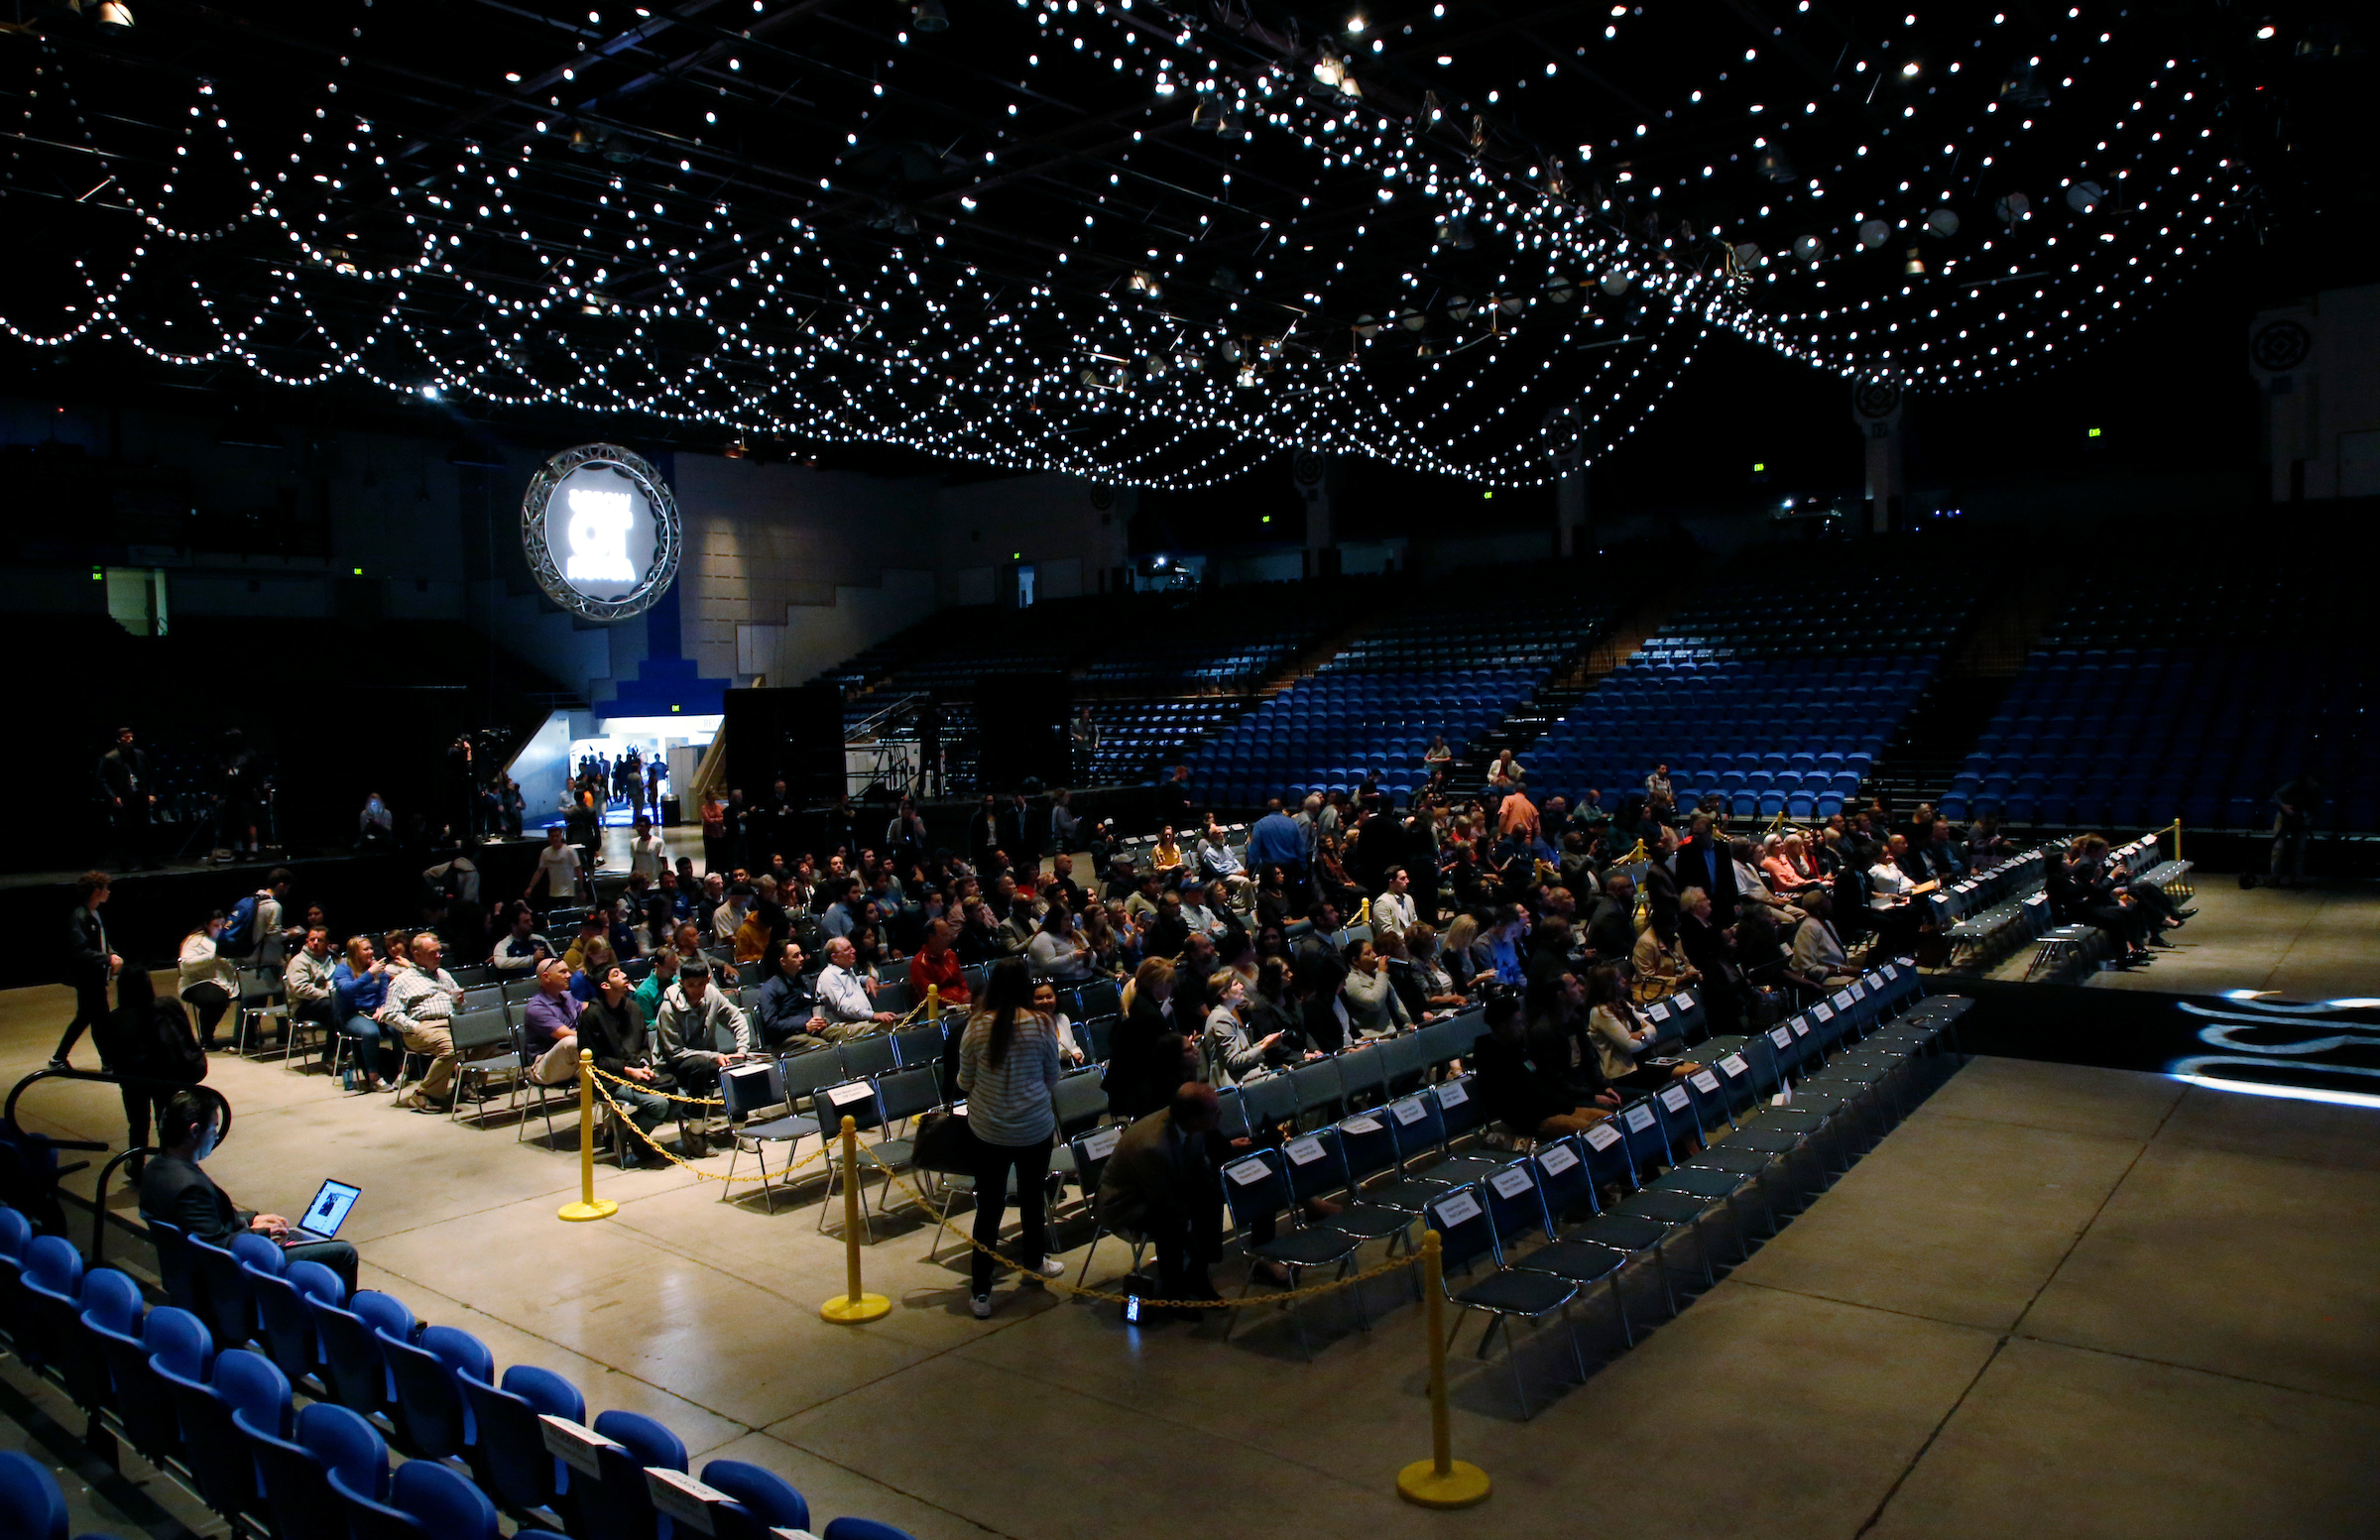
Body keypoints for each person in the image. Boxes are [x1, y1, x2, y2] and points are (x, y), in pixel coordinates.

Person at [141, 1090, 358, 1296]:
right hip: (228, 1275)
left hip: (188, 1269)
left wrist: (252, 1218)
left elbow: (205, 1222)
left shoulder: (156, 1169)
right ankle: (341, 1327)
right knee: (344, 1253)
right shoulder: (189, 1186)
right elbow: (217, 1249)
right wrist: (262, 1235)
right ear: (195, 1130)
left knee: (297, 1237)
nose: (216, 1137)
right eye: (213, 1129)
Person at [1094, 1082, 1279, 1309]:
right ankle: (1175, 1294)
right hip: (1126, 1203)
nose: (1220, 1115)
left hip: (1166, 1183)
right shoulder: (1153, 1145)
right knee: (1170, 1224)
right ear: (1193, 1117)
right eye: (1215, 1112)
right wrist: (1190, 1232)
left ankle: (1200, 1276)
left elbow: (1200, 1167)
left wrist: (1213, 1193)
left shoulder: (1195, 1126)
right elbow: (1163, 1201)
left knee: (1210, 1197)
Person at [957, 958, 1068, 1317]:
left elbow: (964, 1081)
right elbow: (1053, 1076)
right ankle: (1033, 1260)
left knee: (989, 1207)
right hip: (1035, 1127)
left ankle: (981, 1290)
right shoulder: (1041, 1024)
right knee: (1033, 1196)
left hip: (987, 1130)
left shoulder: (975, 1026)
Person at [95, 964, 206, 1167]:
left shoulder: (114, 1019)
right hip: (166, 1075)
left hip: (133, 1080)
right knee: (166, 1122)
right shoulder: (168, 1006)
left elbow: (108, 1055)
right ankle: (171, 1163)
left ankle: (137, 1165)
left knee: (137, 1125)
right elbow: (187, 1039)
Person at [577, 963, 672, 1163]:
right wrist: (627, 1070)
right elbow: (594, 1061)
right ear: (605, 985)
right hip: (608, 1080)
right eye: (616, 974)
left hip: (638, 1073)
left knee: (679, 1098)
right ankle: (636, 1138)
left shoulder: (634, 1009)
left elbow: (644, 1046)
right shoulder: (591, 1016)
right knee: (659, 1104)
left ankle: (631, 1134)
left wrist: (645, 1064)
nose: (625, 975)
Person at [382, 930, 466, 1112]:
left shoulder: (443, 974)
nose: (438, 956)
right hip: (423, 1027)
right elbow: (390, 1014)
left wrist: (459, 1003)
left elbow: (458, 1003)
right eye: (432, 953)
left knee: (489, 1035)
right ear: (417, 955)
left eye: (439, 951)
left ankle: (466, 1085)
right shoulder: (402, 981)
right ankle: (424, 1095)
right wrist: (415, 1027)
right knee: (449, 1048)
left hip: (452, 1021)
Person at [651, 958, 751, 1097]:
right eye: (691, 985)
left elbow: (736, 1018)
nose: (697, 989)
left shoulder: (712, 994)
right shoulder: (668, 1009)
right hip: (672, 1065)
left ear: (708, 979)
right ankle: (696, 1114)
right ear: (681, 982)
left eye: (701, 984)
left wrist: (742, 1050)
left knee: (733, 1064)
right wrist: (714, 1057)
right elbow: (675, 1053)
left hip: (707, 1057)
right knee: (700, 1064)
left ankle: (739, 1114)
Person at [1586, 965, 1696, 1092]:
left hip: (1644, 1061)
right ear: (1608, 985)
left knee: (1696, 1068)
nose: (1624, 980)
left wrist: (1639, 1035)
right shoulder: (1600, 1012)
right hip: (1626, 1072)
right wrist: (1644, 1037)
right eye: (1618, 979)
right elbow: (1630, 1046)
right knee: (1691, 1073)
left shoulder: (1622, 1003)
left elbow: (1652, 1029)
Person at [1104, 957, 1187, 1122]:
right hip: (1142, 1090)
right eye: (1169, 982)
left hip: (1129, 1086)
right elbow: (1160, 1057)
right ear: (1156, 984)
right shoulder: (1148, 1014)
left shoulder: (1134, 1004)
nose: (1171, 987)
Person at [56, 870, 121, 1070]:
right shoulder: (80, 916)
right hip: (87, 977)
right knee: (100, 1020)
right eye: (105, 888)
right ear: (95, 891)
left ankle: (59, 1058)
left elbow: (99, 944)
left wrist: (111, 954)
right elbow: (80, 950)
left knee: (87, 1017)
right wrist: (108, 958)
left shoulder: (94, 913)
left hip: (94, 976)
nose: (108, 892)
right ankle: (108, 1062)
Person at [329, 935, 401, 1091]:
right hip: (352, 1014)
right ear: (355, 952)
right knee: (370, 1032)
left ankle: (402, 1071)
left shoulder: (377, 968)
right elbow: (347, 991)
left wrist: (382, 1007)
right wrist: (369, 974)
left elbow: (384, 993)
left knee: (399, 1026)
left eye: (371, 948)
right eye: (365, 949)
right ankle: (373, 1077)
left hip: (375, 1012)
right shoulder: (343, 969)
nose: (370, 952)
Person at [178, 912, 242, 1052]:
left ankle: (244, 1038)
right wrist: (213, 956)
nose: (220, 928)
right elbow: (186, 965)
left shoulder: (228, 939)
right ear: (207, 926)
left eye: (222, 925)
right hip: (196, 982)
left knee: (253, 992)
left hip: (223, 982)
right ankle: (206, 1039)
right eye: (215, 925)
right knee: (215, 999)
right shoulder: (195, 940)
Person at [813, 936, 899, 1038]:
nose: (853, 951)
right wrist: (873, 1015)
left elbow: (850, 981)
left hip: (861, 1022)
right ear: (835, 957)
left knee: (902, 1020)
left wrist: (866, 979)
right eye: (847, 949)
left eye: (852, 947)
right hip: (845, 1026)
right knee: (892, 1027)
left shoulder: (848, 972)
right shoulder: (828, 977)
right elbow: (844, 1008)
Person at [97, 728, 158, 871]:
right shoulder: (110, 758)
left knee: (145, 830)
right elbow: (101, 780)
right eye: (126, 737)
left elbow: (150, 775)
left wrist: (151, 793)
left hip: (140, 796)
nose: (130, 739)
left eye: (131, 737)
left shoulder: (139, 755)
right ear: (119, 739)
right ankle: (126, 864)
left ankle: (148, 862)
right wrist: (113, 796)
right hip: (123, 799)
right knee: (124, 832)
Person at [522, 957, 583, 1085]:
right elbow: (564, 1034)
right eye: (562, 972)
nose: (569, 975)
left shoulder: (568, 997)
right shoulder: (536, 1007)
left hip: (572, 1060)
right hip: (544, 1066)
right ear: (546, 977)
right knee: (571, 1042)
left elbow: (589, 1011)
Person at [1338, 937, 1410, 1039]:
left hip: (1395, 1030)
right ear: (1355, 961)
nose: (1374, 956)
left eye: (1373, 951)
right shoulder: (1351, 981)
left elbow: (1395, 1000)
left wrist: (1408, 1022)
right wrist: (1382, 973)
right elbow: (1375, 1002)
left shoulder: (1375, 972)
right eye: (1368, 954)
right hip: (1375, 1036)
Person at [525, 826, 587, 914]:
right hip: (553, 892)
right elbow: (539, 871)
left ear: (561, 836)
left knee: (565, 913)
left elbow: (578, 870)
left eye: (557, 836)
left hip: (567, 891)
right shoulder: (546, 852)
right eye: (552, 836)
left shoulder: (569, 851)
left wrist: (581, 888)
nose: (555, 838)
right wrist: (530, 887)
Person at [1370, 867, 1418, 937]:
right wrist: (1409, 939)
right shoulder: (1382, 902)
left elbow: (1415, 923)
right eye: (1403, 879)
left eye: (1407, 878)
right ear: (1391, 882)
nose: (1407, 881)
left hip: (1411, 942)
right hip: (1394, 945)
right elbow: (1387, 933)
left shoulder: (1408, 899)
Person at [628, 816, 669, 883]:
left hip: (655, 880)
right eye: (637, 826)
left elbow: (664, 863)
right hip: (640, 882)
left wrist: (664, 879)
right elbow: (635, 862)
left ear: (648, 827)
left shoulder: (658, 842)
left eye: (642, 826)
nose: (639, 829)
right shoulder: (634, 842)